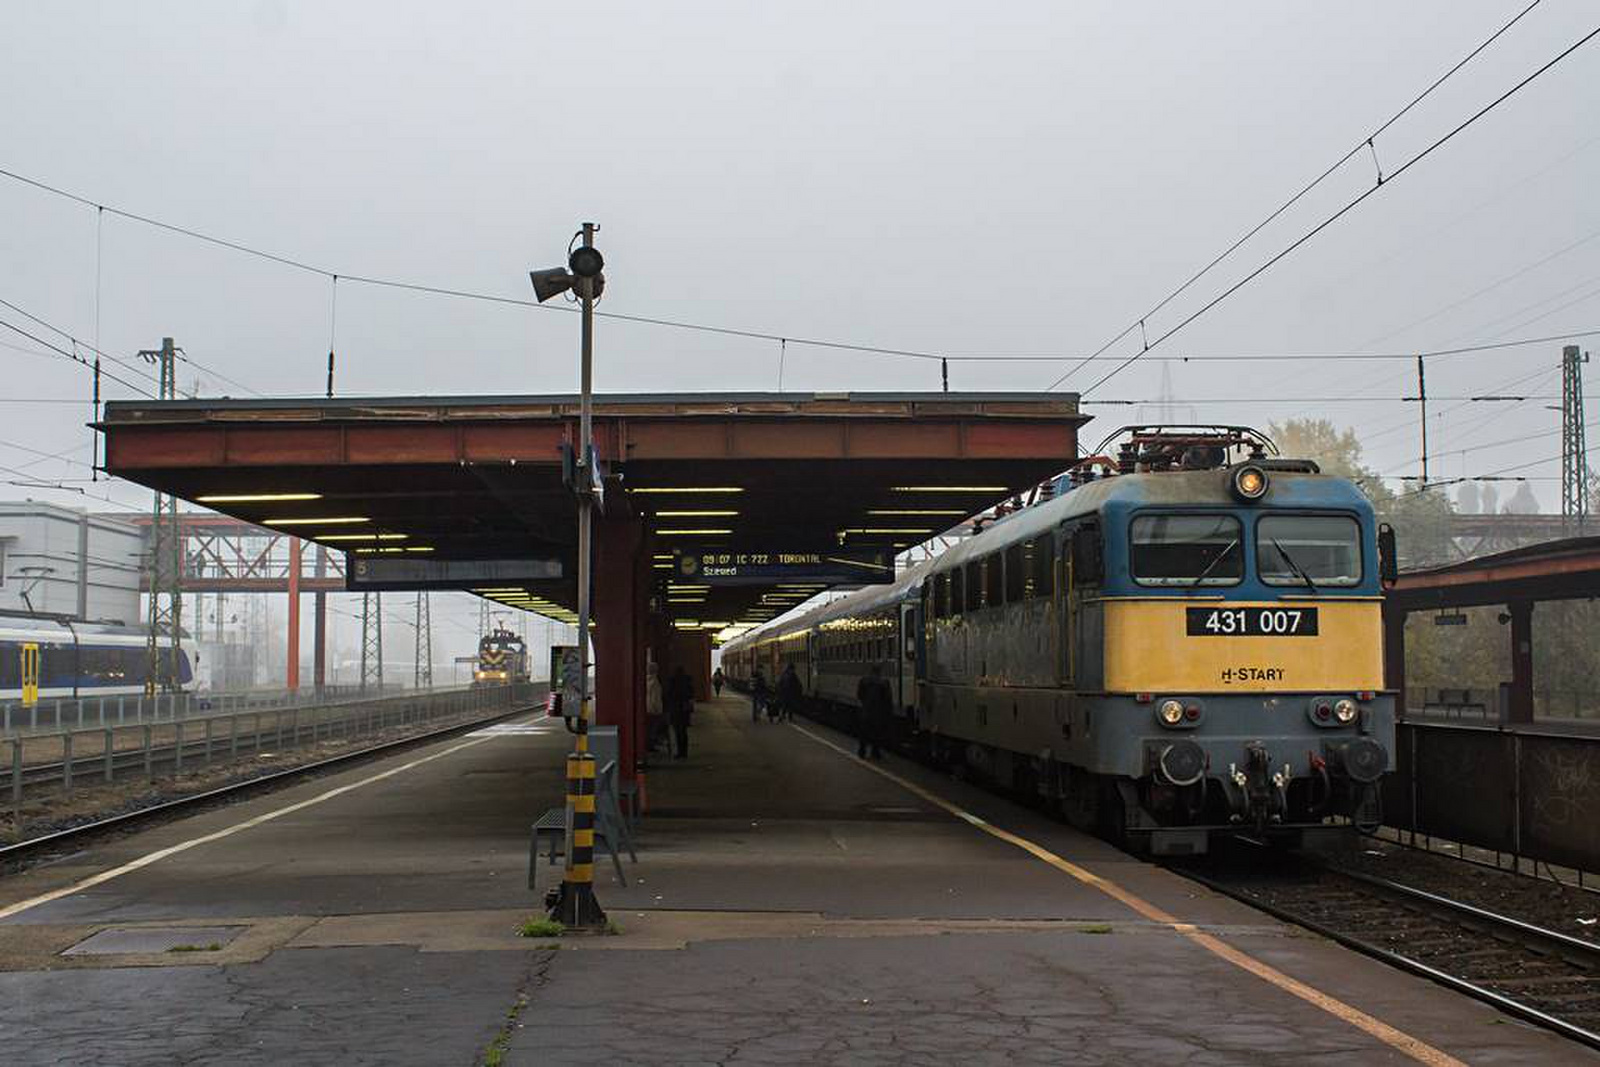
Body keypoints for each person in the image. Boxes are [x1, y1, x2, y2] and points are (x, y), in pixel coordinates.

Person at [854, 664, 892, 760]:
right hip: (878, 712)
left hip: (865, 711)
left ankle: (862, 751)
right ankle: (875, 752)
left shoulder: (863, 680)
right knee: (877, 733)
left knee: (864, 732)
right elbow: (887, 698)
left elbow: (859, 695)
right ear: (880, 672)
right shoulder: (884, 682)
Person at [666, 665, 695, 760]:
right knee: (684, 732)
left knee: (677, 732)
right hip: (684, 710)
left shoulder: (672, 682)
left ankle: (679, 752)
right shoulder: (688, 682)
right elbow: (691, 696)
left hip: (675, 710)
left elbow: (668, 695)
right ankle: (684, 752)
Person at [644, 661, 665, 755]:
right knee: (653, 729)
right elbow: (655, 698)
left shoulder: (645, 680)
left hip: (646, 708)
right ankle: (651, 745)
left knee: (648, 729)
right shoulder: (655, 682)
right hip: (654, 709)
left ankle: (648, 745)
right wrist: (658, 709)